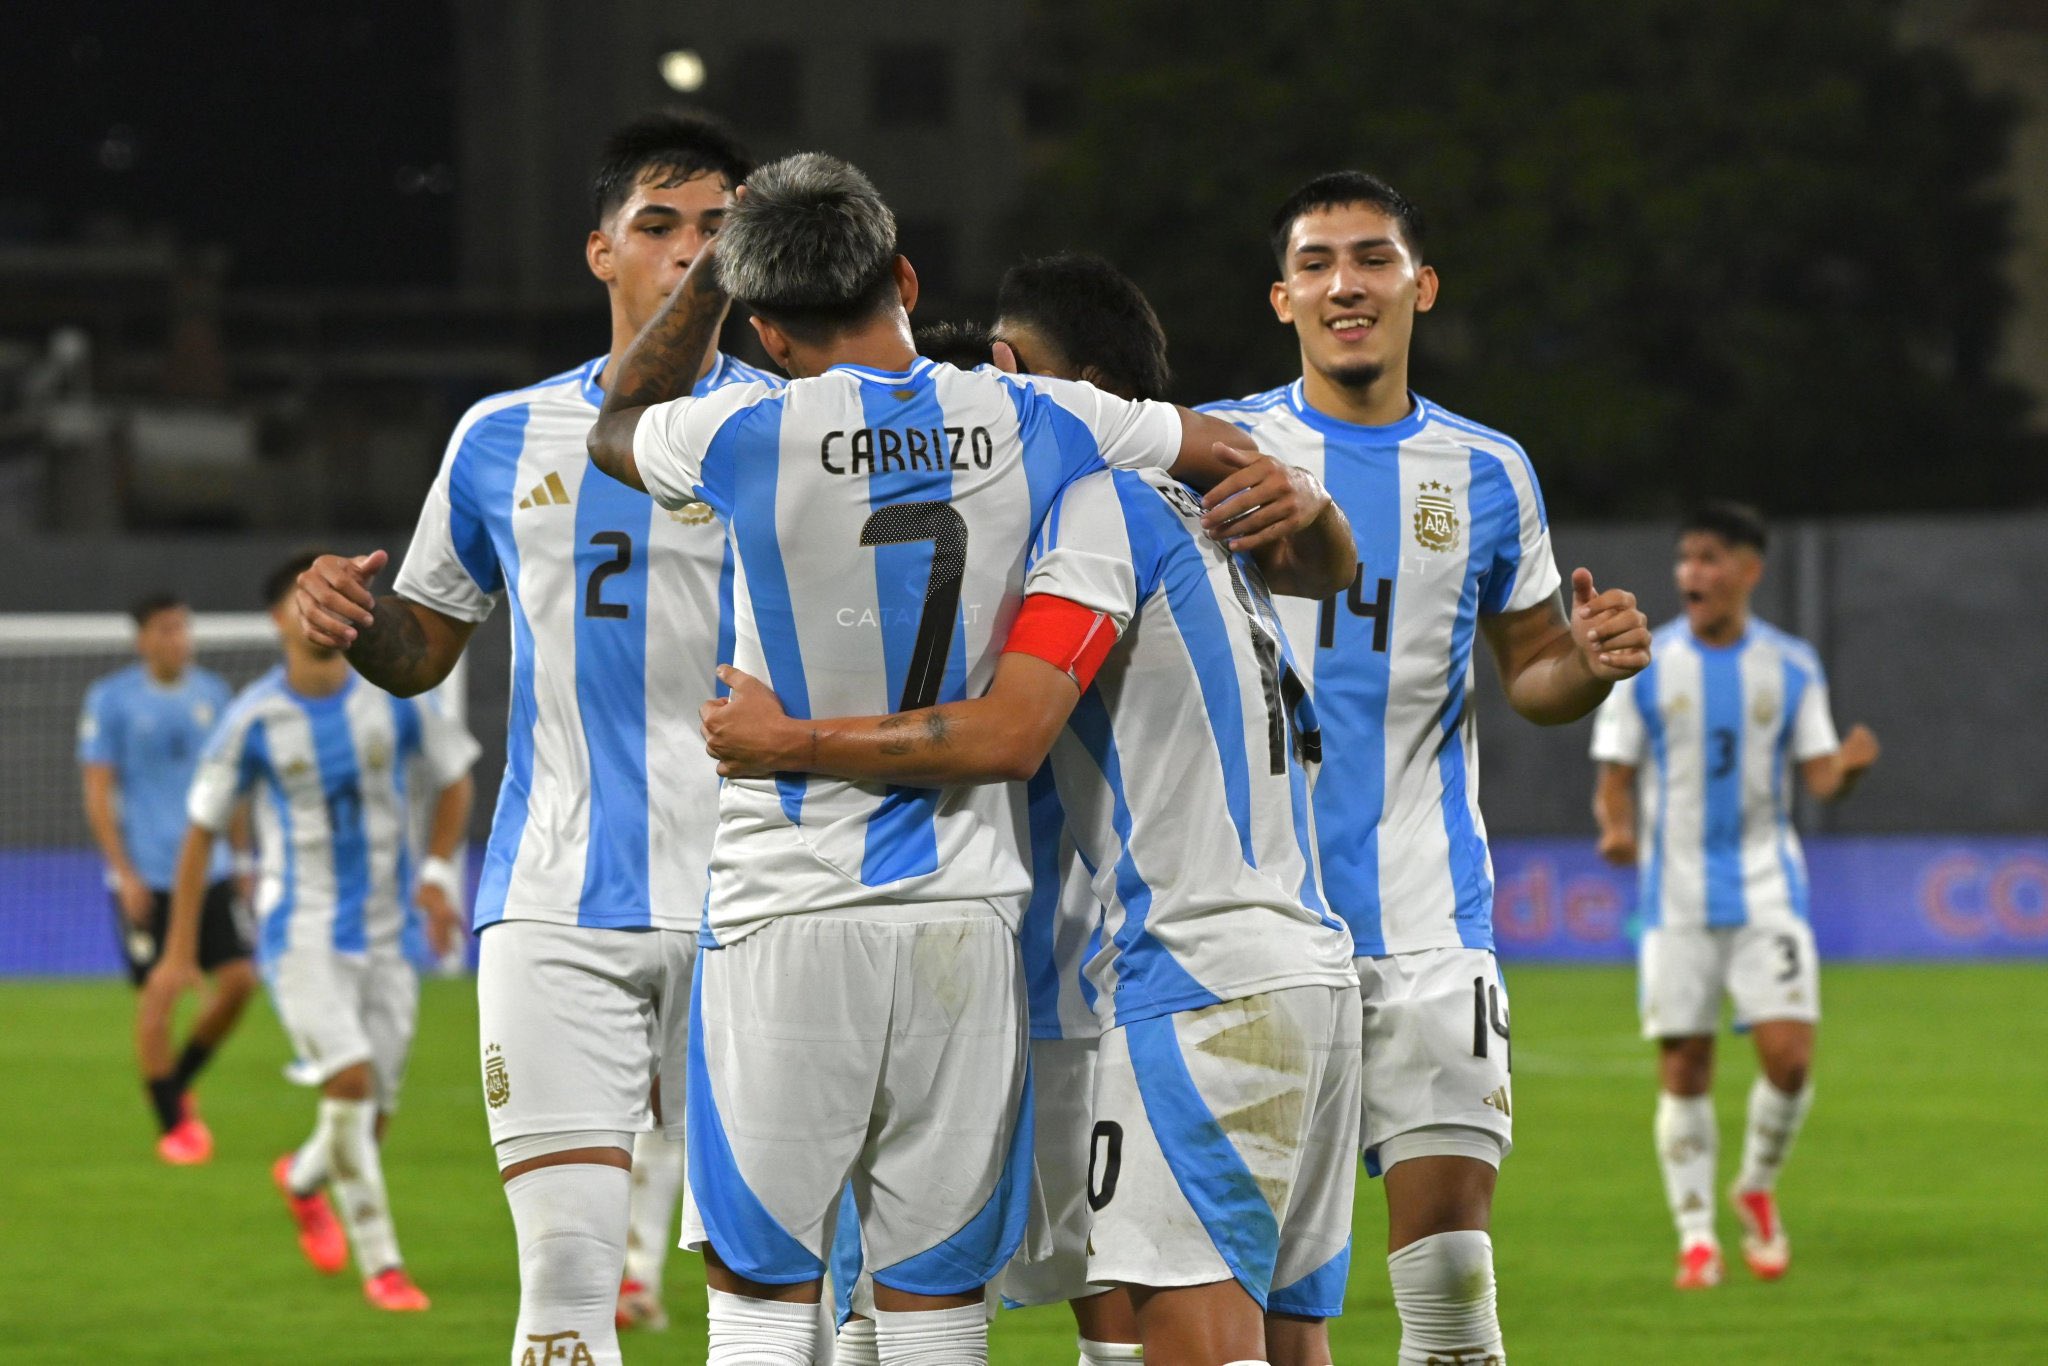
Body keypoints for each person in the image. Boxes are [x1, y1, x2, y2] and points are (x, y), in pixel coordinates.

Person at [584, 151, 1330, 1366]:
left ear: (765, 331)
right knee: (937, 1303)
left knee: (762, 1295)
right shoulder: (1035, 414)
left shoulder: (735, 432)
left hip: (788, 906)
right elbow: (1219, 451)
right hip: (970, 916)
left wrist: (713, 274)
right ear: (908, 279)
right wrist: (1296, 502)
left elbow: (615, 412)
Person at [290, 111, 778, 1364]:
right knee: (564, 1288)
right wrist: (351, 619)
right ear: (600, 254)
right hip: (557, 903)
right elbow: (423, 652)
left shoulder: (793, 429)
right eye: (659, 228)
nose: (688, 254)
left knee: (771, 1295)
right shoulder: (500, 435)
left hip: (766, 902)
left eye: (719, 231)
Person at [1198, 171, 1653, 1365]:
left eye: (1371, 258)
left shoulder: (1488, 470)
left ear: (1419, 286)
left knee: (1450, 1288)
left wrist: (1590, 666)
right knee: (1266, 1309)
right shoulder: (1215, 449)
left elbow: (1533, 671)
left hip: (1426, 914)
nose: (1344, 284)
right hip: (1246, 922)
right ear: (1281, 296)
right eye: (1316, 263)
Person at [144, 552, 478, 1310]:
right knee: (352, 1082)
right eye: (313, 601)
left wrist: (434, 874)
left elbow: (455, 774)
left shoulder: (394, 702)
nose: (330, 615)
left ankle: (300, 1180)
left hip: (386, 939)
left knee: (371, 1116)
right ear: (280, 618)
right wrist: (177, 951)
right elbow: (200, 829)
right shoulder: (253, 719)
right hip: (301, 935)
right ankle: (385, 1267)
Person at [1589, 501, 1878, 1289]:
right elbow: (1613, 780)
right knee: (1685, 1066)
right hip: (1675, 893)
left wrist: (1846, 770)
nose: (1693, 573)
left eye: (1711, 558)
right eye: (1686, 558)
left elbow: (1818, 776)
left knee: (1789, 1059)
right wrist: (1616, 831)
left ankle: (1754, 1185)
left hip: (1765, 888)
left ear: (1750, 569)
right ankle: (1696, 1236)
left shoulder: (1790, 666)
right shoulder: (1647, 665)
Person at [78, 592, 253, 1164]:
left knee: (240, 982)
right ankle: (173, 1125)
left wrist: (244, 858)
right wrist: (121, 872)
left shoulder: (215, 696)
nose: (177, 639)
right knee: (158, 994)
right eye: (165, 630)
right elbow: (99, 792)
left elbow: (235, 785)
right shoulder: (111, 700)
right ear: (142, 639)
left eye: (183, 628)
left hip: (212, 872)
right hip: (149, 875)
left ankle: (177, 1080)